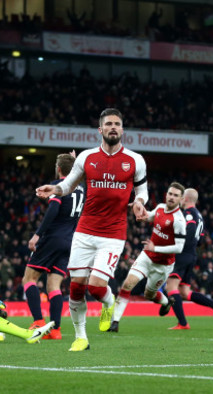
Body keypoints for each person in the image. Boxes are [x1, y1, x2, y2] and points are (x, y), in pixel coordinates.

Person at [35, 108, 148, 351]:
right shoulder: (86, 157)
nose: (113, 127)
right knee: (76, 286)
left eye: (117, 123)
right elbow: (67, 185)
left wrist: (139, 203)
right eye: (109, 124)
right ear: (101, 129)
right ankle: (81, 337)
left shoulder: (135, 160)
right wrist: (53, 189)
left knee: (96, 287)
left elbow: (142, 191)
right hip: (84, 230)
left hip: (113, 233)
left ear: (122, 129)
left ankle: (109, 303)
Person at [107, 182, 187, 332]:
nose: (171, 197)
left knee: (149, 294)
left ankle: (166, 303)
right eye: (170, 193)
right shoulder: (160, 207)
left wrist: (155, 247)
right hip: (147, 256)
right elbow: (151, 216)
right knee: (127, 285)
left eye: (175, 195)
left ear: (181, 199)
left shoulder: (179, 221)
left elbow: (179, 247)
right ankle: (115, 322)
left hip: (162, 265)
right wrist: (141, 212)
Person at [24, 152, 83, 340]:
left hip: (52, 238)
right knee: (54, 285)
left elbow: (53, 210)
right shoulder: (81, 189)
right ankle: (56, 330)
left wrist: (37, 235)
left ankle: (39, 322)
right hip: (69, 241)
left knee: (29, 279)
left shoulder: (58, 187)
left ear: (58, 169)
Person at [164, 188, 213, 329]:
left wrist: (178, 244)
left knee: (171, 287)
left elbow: (190, 232)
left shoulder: (188, 214)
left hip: (182, 254)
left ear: (185, 199)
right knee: (185, 292)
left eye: (180, 197)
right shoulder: (199, 215)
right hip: (192, 255)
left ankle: (183, 323)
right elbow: (200, 240)